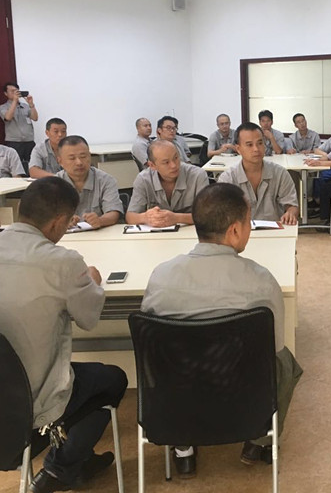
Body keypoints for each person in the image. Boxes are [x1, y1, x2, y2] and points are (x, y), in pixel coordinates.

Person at [0, 177, 127, 493]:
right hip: (27, 406)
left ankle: (62, 460)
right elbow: (89, 318)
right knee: (112, 379)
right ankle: (61, 468)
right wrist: (93, 280)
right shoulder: (63, 262)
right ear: (58, 222)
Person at [141, 183, 302, 477]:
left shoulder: (160, 276)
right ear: (235, 230)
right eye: (248, 221)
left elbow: (151, 343)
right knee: (285, 362)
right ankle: (258, 440)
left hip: (177, 392)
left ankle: (183, 447)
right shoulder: (261, 281)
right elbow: (274, 350)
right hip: (240, 397)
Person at [218, 122, 299, 224]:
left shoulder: (280, 173)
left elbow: (292, 205)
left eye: (260, 143)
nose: (256, 149)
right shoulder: (227, 179)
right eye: (249, 145)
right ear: (238, 149)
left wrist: (290, 213)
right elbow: (222, 214)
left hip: (274, 230)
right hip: (240, 231)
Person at [127, 140, 209, 227]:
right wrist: (146, 217)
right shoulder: (143, 179)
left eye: (176, 158)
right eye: (166, 162)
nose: (174, 165)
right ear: (152, 165)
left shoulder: (197, 175)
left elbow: (207, 216)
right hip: (158, 233)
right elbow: (130, 217)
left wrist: (176, 218)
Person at [56, 135, 123, 230]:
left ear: (90, 156)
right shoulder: (53, 184)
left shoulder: (106, 180)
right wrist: (61, 221)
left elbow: (114, 213)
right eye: (72, 158)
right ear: (60, 161)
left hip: (99, 234)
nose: (79, 162)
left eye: (83, 156)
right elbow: (45, 218)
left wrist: (100, 220)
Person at [0, 81, 39, 168]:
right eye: (12, 91)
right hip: (14, 142)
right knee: (16, 166)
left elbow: (35, 118)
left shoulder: (25, 106)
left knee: (32, 165)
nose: (15, 93)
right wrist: (15, 101)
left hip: (29, 141)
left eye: (16, 91)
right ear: (6, 93)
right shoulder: (3, 107)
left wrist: (31, 105)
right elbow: (8, 117)